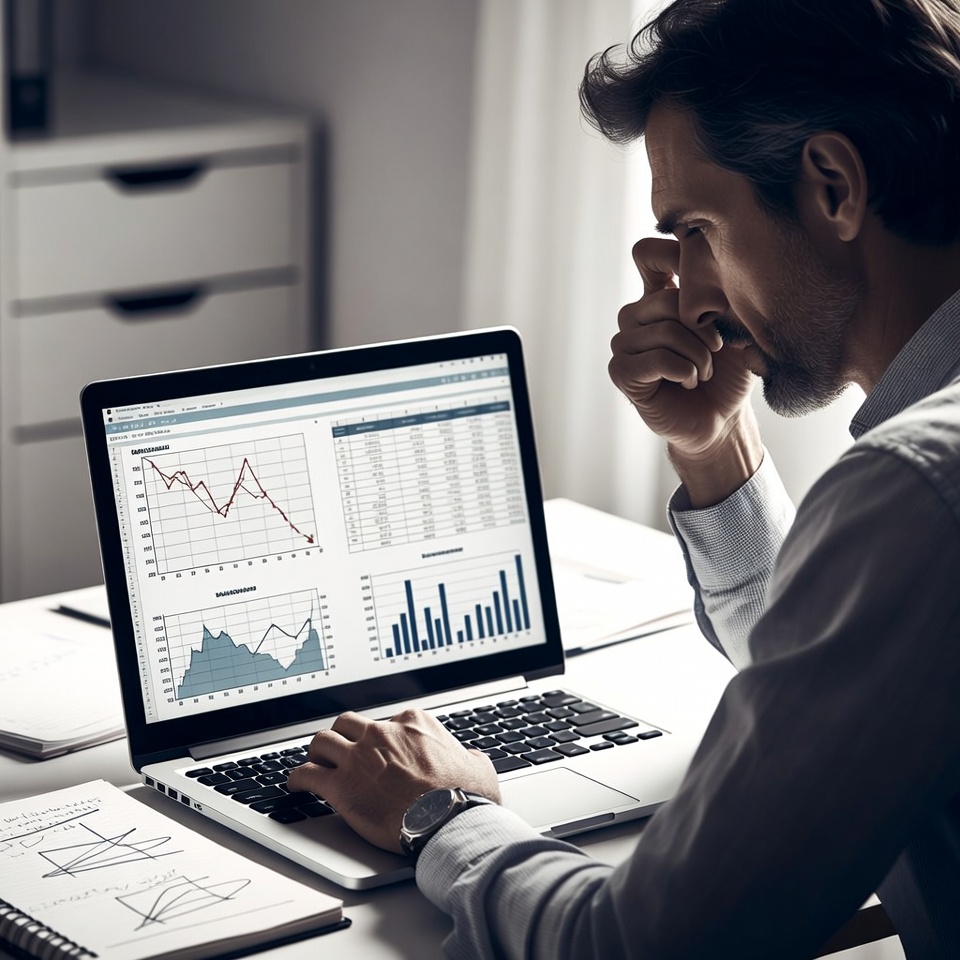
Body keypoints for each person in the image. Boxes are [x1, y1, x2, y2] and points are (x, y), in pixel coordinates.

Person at [287, 0, 960, 955]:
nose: (686, 288)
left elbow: (641, 945)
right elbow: (865, 671)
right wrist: (713, 443)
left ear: (835, 186)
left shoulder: (918, 488)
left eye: (695, 228)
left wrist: (441, 816)